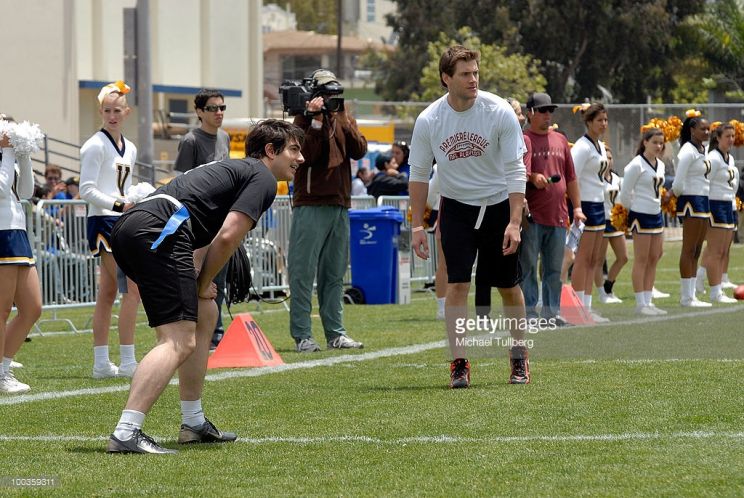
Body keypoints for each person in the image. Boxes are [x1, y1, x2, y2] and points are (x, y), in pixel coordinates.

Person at [106, 119, 304, 454]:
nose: (300, 159)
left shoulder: (237, 169)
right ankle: (126, 431)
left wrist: (201, 285)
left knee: (205, 313)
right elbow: (228, 235)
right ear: (270, 151)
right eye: (294, 150)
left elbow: (198, 222)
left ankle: (193, 422)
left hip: (144, 226)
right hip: (159, 229)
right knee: (178, 340)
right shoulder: (263, 178)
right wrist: (205, 280)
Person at [409, 45, 529, 388]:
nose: (473, 79)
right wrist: (417, 224)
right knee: (457, 284)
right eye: (465, 74)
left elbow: (515, 170)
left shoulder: (499, 110)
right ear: (446, 78)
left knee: (508, 286)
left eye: (475, 72)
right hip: (456, 208)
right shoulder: (429, 119)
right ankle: (459, 363)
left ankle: (519, 359)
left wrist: (514, 222)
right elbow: (418, 174)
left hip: (497, 207)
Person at [288, 69, 367, 353]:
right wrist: (315, 121)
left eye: (336, 94)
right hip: (311, 204)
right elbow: (306, 155)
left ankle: (336, 333)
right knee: (302, 272)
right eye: (327, 94)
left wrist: (343, 118)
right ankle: (302, 335)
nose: (333, 99)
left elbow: (359, 150)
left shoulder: (342, 118)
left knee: (334, 274)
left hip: (339, 204)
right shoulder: (301, 120)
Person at [79, 81, 141, 379]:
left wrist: (133, 203)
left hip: (122, 221)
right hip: (104, 222)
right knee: (132, 289)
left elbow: (126, 187)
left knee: (107, 292)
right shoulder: (93, 145)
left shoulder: (130, 147)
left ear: (126, 112)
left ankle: (101, 363)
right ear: (100, 112)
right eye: (107, 110)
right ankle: (127, 360)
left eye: (117, 110)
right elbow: (86, 189)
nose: (112, 115)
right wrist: (120, 205)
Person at [174, 88, 231, 350]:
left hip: (220, 218)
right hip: (197, 221)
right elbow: (182, 182)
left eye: (222, 108)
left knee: (218, 276)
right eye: (212, 108)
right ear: (199, 112)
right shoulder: (190, 141)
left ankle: (215, 333)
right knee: (197, 277)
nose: (218, 113)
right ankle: (195, 330)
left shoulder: (225, 138)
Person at [521, 93, 584, 324]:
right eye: (542, 111)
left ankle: (552, 313)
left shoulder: (560, 140)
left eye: (550, 111)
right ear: (530, 113)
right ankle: (529, 312)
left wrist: (577, 208)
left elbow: (571, 177)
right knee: (527, 266)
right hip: (532, 217)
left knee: (554, 269)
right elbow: (517, 173)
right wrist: (532, 177)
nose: (547, 115)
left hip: (558, 216)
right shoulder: (523, 138)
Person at [0, 124, 41, 393]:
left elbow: (24, 192)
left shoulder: (7, 157)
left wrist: (23, 154)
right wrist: (7, 152)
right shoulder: (4, 156)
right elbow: (1, 189)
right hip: (1, 232)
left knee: (32, 307)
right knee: (1, 311)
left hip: (17, 232)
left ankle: (4, 368)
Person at [618, 128, 667, 315]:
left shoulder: (660, 165)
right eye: (654, 142)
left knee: (655, 257)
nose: (658, 146)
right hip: (641, 215)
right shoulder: (636, 165)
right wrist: (635, 210)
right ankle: (640, 303)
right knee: (642, 259)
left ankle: (648, 300)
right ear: (645, 142)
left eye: (661, 143)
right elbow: (624, 194)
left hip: (656, 215)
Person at [570, 103, 611, 322]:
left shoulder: (601, 146)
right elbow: (571, 176)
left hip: (598, 204)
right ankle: (576, 309)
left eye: (605, 120)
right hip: (584, 205)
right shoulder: (582, 146)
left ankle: (586, 307)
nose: (603, 124)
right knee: (583, 259)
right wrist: (576, 207)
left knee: (595, 259)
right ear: (588, 122)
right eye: (599, 120)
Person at [671, 111, 711, 307]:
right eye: (702, 129)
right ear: (692, 130)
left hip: (703, 200)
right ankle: (686, 297)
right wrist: (674, 195)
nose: (706, 131)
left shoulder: (702, 149)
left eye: (708, 128)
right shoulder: (687, 150)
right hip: (691, 200)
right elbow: (678, 182)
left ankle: (691, 294)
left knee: (696, 250)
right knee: (689, 249)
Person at [697, 122, 738, 303]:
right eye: (727, 136)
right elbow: (705, 182)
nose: (731, 140)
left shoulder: (729, 158)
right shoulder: (713, 157)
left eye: (732, 136)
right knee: (715, 250)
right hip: (715, 204)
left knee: (723, 250)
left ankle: (714, 285)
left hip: (728, 204)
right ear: (718, 138)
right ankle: (715, 291)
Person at [595, 145, 628, 304]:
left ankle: (608, 286)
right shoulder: (596, 178)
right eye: (605, 158)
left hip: (615, 221)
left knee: (623, 257)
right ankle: (602, 293)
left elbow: (621, 199)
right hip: (601, 219)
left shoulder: (616, 178)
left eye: (610, 158)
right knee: (599, 260)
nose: (608, 161)